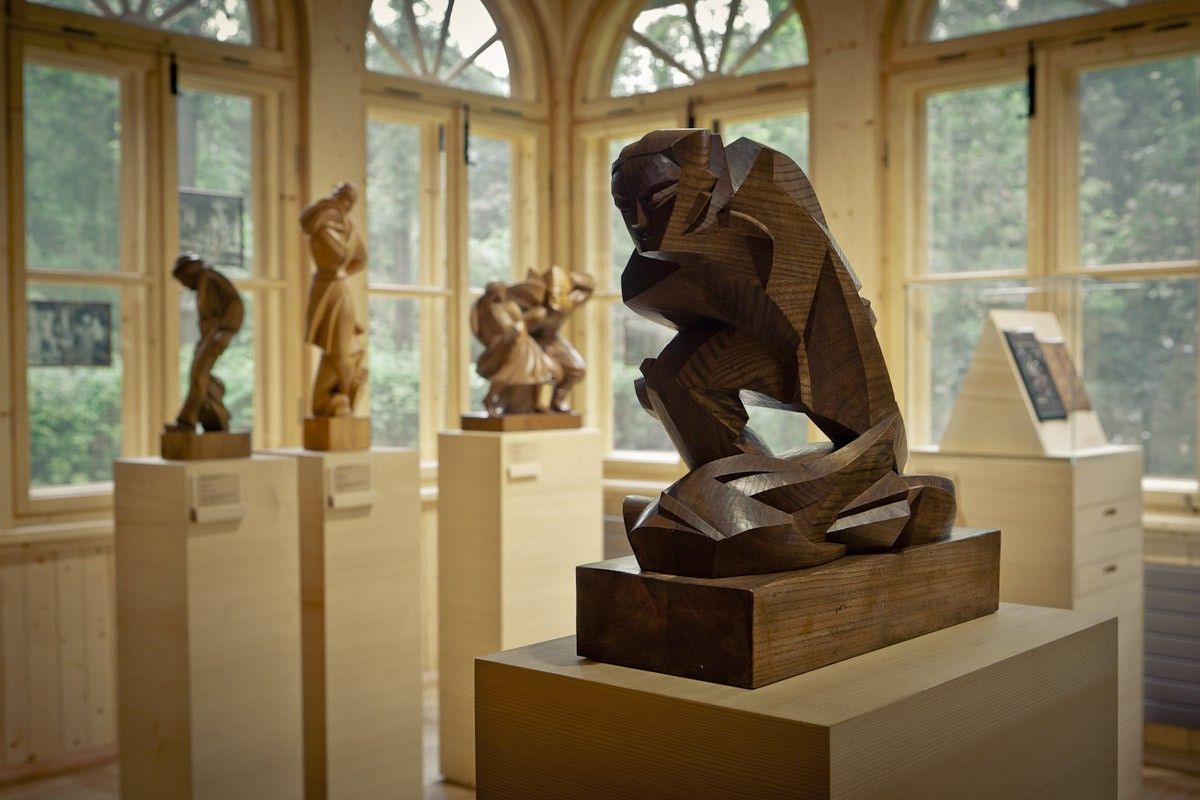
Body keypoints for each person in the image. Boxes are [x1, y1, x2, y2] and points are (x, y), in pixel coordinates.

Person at [300, 182, 369, 417]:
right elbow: (341, 254)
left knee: (340, 348)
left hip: (336, 286)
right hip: (326, 287)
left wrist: (342, 273)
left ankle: (346, 394)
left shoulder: (344, 224)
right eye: (346, 199)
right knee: (336, 350)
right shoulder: (324, 222)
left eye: (351, 202)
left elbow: (361, 259)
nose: (347, 206)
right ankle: (349, 391)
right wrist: (353, 237)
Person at [166, 254, 244, 433]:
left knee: (198, 375)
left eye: (183, 280)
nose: (184, 285)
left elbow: (235, 304)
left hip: (216, 334)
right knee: (199, 375)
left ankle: (188, 421)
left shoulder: (210, 279)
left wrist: (225, 330)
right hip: (211, 335)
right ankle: (212, 407)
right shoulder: (205, 281)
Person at [471, 282, 560, 414]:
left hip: (525, 344)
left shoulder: (509, 306)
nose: (502, 294)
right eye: (499, 292)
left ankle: (540, 402)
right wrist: (525, 320)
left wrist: (531, 318)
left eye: (503, 291)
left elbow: (520, 321)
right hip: (512, 347)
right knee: (506, 374)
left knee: (543, 371)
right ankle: (489, 399)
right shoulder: (491, 310)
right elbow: (507, 328)